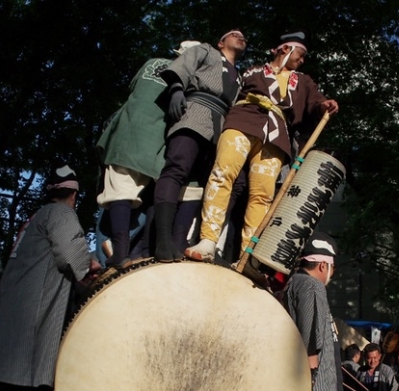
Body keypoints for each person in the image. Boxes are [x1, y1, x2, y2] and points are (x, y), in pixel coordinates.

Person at [0, 165, 101, 391]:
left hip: (10, 328)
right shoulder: (61, 215)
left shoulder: (36, 218)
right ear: (74, 195)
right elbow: (74, 259)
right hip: (34, 332)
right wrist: (93, 265)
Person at [186, 30, 339, 262]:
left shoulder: (304, 81)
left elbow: (315, 102)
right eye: (301, 53)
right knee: (222, 174)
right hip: (242, 120)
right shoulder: (252, 71)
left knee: (262, 195)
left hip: (277, 135)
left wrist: (323, 105)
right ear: (285, 49)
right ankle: (208, 239)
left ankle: (248, 256)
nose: (303, 59)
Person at [96, 41, 200, 266]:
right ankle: (144, 252)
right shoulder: (193, 78)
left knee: (121, 190)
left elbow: (134, 89)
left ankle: (120, 253)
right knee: (159, 192)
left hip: (128, 134)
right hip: (162, 142)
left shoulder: (152, 63)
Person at [150, 30, 248, 262]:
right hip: (195, 111)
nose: (240, 36)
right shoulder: (206, 50)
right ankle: (163, 240)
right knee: (177, 169)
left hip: (223, 125)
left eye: (244, 36)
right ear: (220, 41)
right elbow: (182, 67)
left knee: (229, 182)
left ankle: (185, 240)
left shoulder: (241, 77)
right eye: (234, 34)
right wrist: (176, 90)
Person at [282, 232, 344, 391]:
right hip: (314, 369)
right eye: (332, 267)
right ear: (323, 265)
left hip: (302, 366)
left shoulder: (292, 283)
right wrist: (312, 371)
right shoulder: (311, 285)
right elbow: (311, 329)